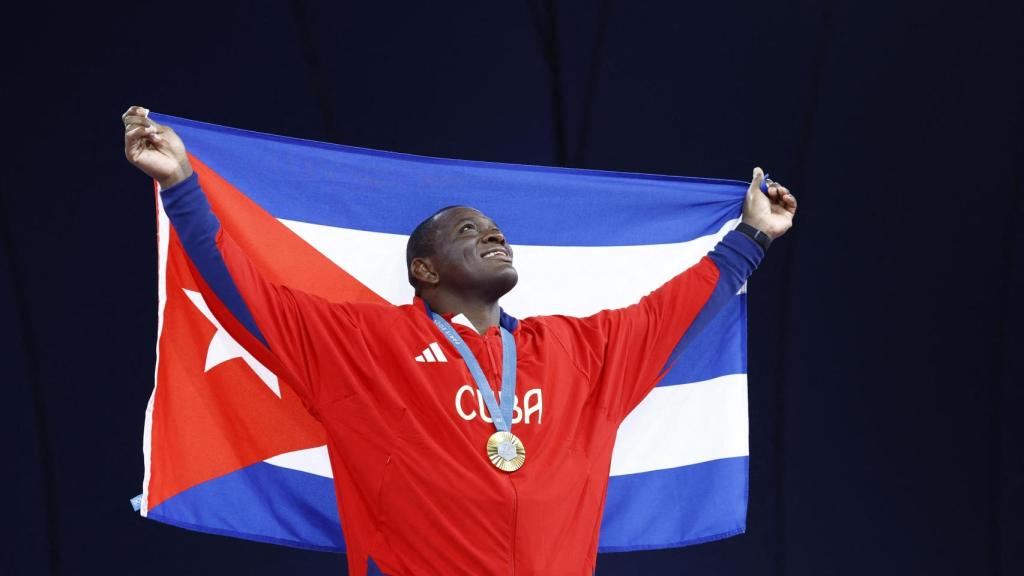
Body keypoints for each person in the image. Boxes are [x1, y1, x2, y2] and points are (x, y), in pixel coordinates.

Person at [123, 105, 796, 575]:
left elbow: (667, 315)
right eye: (468, 231)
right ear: (425, 269)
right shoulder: (363, 347)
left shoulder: (573, 354)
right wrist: (181, 184)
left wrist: (753, 237)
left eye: (496, 230)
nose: (493, 235)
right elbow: (248, 295)